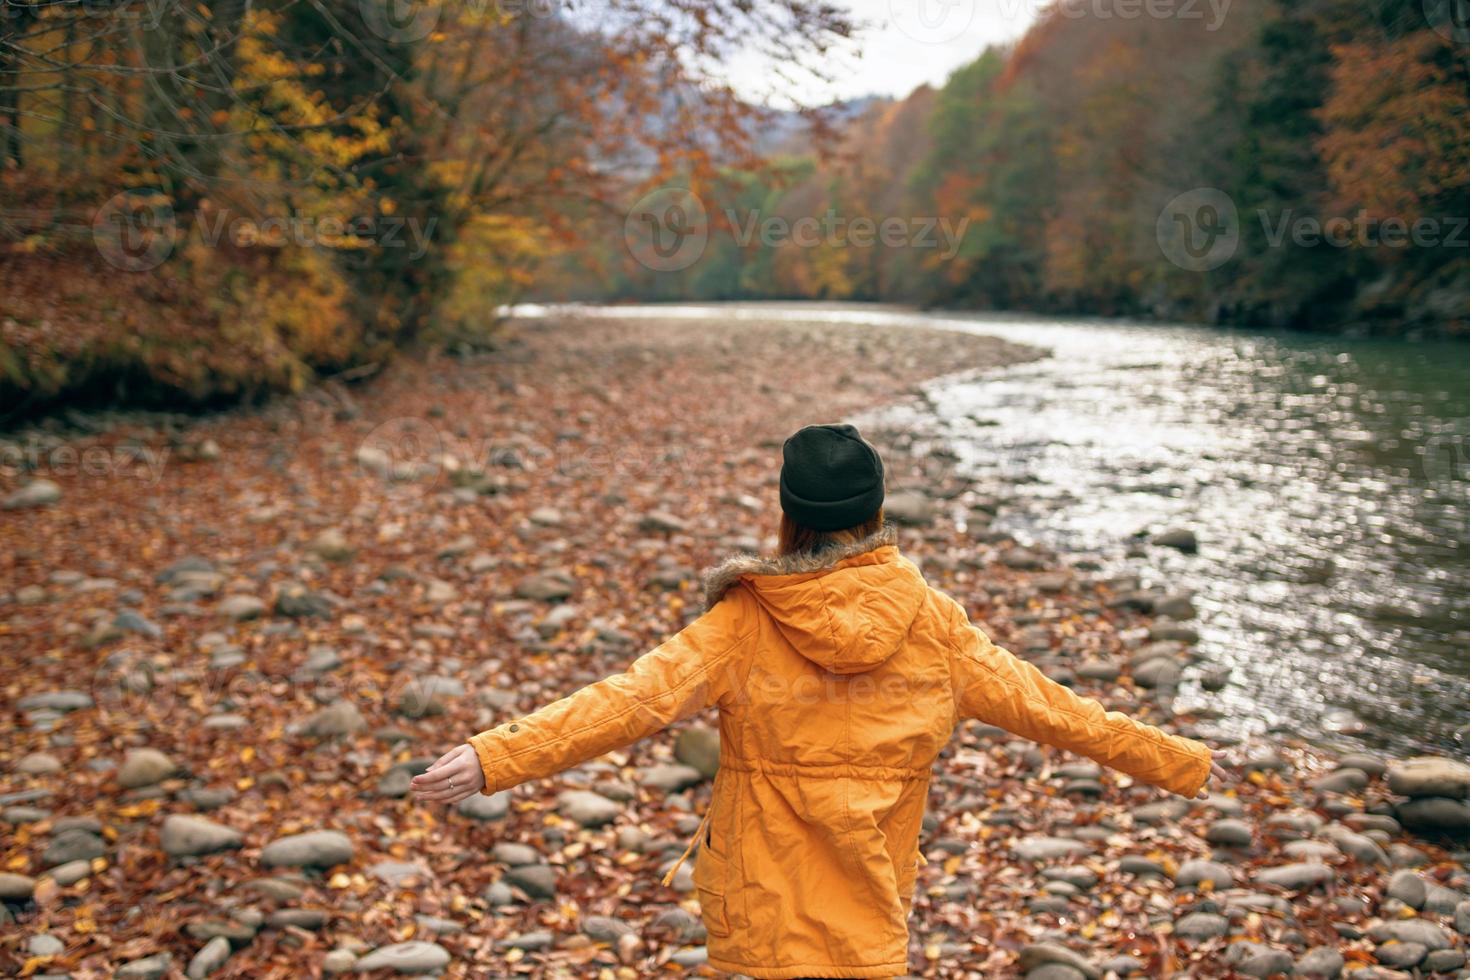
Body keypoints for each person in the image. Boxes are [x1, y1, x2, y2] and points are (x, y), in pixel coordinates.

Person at [412, 422, 1227, 979]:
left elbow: (631, 700)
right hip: (870, 908)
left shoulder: (744, 622)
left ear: (788, 516)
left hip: (755, 914)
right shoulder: (934, 626)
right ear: (875, 511)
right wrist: (1182, 761)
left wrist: (495, 757)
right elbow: (1063, 713)